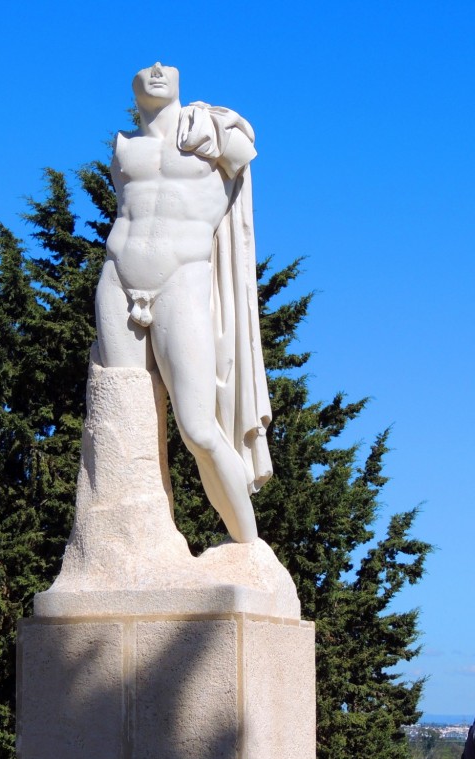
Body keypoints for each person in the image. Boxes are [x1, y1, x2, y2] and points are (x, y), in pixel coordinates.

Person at [95, 62, 272, 544]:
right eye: (144, 69)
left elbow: (247, 150)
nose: (155, 69)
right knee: (123, 418)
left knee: (197, 427)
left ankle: (249, 548)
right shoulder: (123, 145)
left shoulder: (212, 128)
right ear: (131, 89)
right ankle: (133, 545)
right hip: (117, 277)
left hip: (184, 276)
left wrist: (215, 122)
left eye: (165, 68)